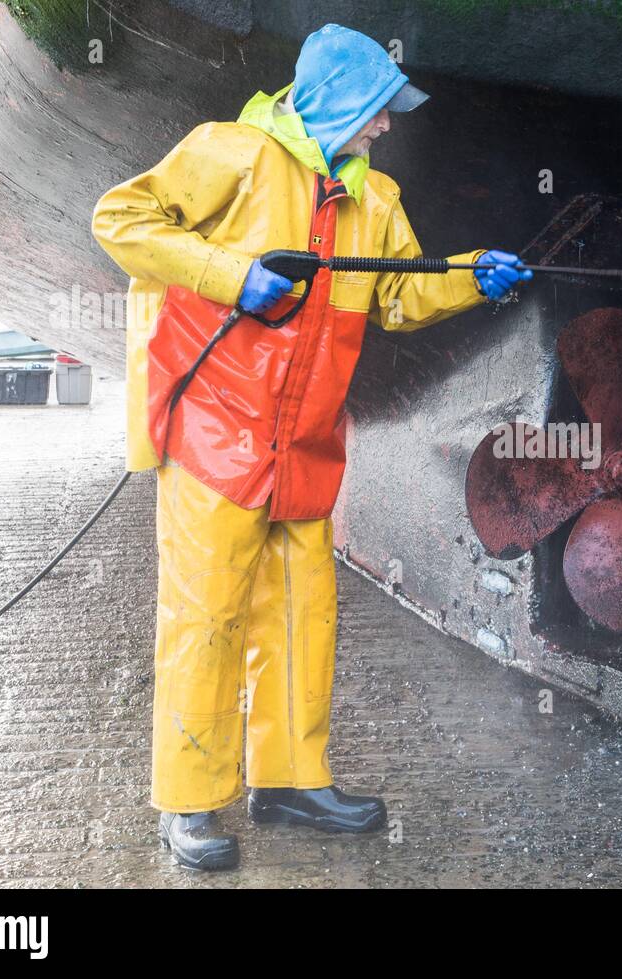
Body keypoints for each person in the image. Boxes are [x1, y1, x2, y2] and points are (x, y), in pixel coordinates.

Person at [92, 23, 532, 871]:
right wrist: (230, 275)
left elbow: (399, 296)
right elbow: (120, 217)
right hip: (216, 435)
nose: (387, 127)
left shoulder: (375, 203)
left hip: (305, 450)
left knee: (302, 619)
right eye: (376, 111)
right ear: (337, 102)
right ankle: (188, 803)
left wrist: (473, 273)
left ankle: (289, 779)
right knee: (206, 620)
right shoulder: (232, 154)